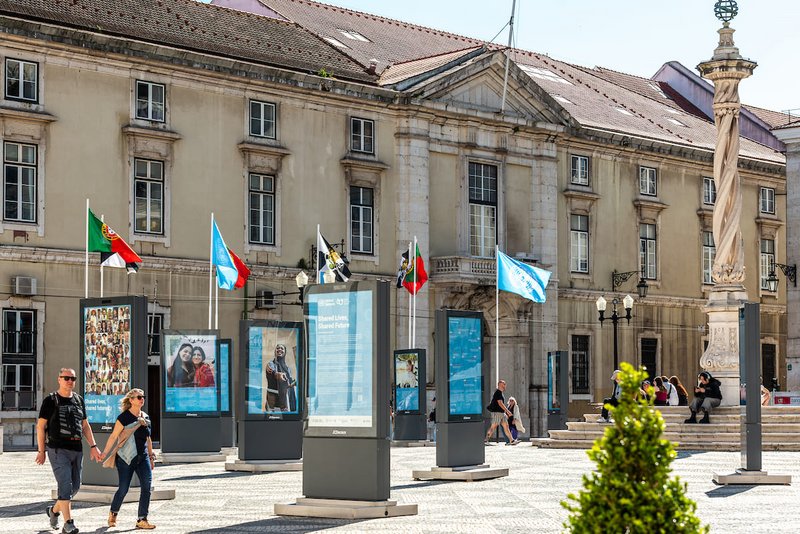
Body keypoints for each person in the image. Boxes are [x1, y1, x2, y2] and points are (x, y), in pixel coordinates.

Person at [36, 367, 102, 534]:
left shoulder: (79, 400)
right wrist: (41, 451)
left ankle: (53, 511)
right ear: (59, 379)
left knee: (75, 487)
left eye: (72, 378)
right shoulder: (50, 400)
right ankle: (68, 524)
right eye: (66, 378)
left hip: (77, 449)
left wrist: (93, 446)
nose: (70, 381)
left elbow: (85, 426)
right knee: (65, 486)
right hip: (58, 449)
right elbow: (41, 426)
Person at [100, 389, 156, 530]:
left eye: (143, 397)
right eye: (138, 397)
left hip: (142, 457)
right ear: (131, 400)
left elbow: (148, 438)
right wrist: (104, 453)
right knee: (123, 488)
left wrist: (151, 456)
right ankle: (113, 512)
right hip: (126, 458)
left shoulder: (146, 417)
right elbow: (113, 436)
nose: (141, 399)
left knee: (147, 487)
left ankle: (142, 519)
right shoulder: (123, 418)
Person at [485, 380, 519, 445]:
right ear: (500, 384)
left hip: (501, 413)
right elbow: (500, 403)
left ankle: (511, 440)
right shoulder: (498, 392)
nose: (505, 385)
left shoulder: (500, 393)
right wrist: (507, 411)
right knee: (493, 427)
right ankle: (486, 440)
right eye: (504, 384)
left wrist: (505, 412)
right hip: (497, 412)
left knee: (506, 426)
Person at [265, 344, 296, 412]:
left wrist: (295, 382)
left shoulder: (287, 369)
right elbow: (273, 373)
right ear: (275, 351)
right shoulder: (270, 364)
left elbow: (289, 385)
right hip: (274, 400)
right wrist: (278, 375)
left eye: (282, 348)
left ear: (285, 352)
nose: (279, 349)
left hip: (286, 401)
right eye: (278, 348)